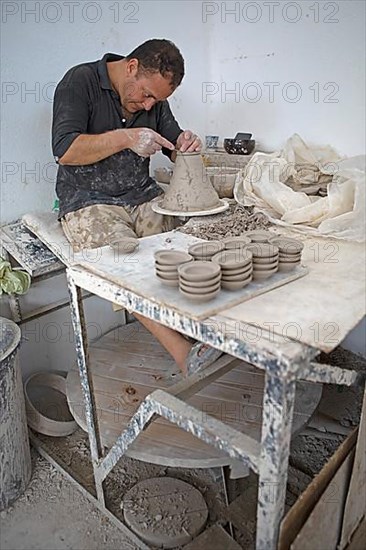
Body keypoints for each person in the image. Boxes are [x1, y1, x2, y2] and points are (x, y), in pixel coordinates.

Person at [52, 38, 222, 376]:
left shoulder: (153, 102)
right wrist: (127, 138)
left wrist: (185, 146)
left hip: (141, 195)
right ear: (131, 67)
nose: (148, 106)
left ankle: (203, 335)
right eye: (146, 94)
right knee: (125, 266)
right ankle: (184, 355)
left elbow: (173, 145)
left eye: (156, 101)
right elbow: (64, 149)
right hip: (89, 200)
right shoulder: (80, 81)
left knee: (186, 251)